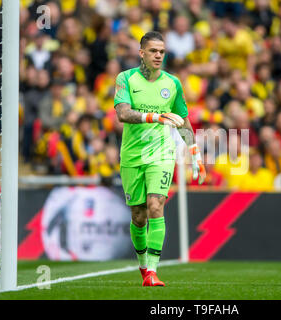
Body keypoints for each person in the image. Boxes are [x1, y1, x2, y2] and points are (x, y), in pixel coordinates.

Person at [114, 31, 206, 287]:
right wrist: (155, 117)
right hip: (132, 155)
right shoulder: (125, 79)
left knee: (156, 206)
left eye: (162, 52)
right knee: (138, 215)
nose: (158, 56)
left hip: (161, 154)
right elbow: (123, 113)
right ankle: (143, 265)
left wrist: (194, 151)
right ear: (141, 52)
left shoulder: (173, 83)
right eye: (153, 51)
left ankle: (153, 272)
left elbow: (183, 120)